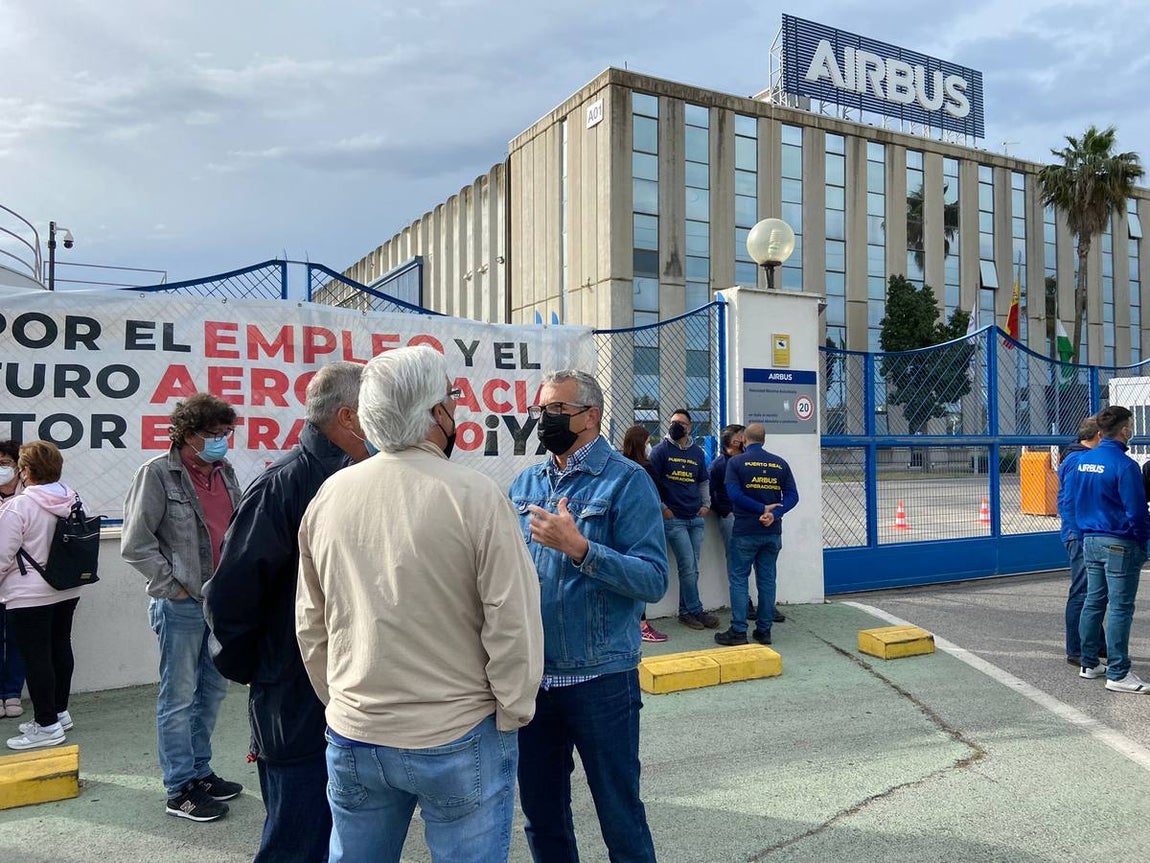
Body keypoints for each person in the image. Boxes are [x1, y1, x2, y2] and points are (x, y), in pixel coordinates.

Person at [296, 345, 543, 863]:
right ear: (436, 414)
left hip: (355, 731)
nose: (455, 411)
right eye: (451, 401)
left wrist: (341, 699)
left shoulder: (330, 496)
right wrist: (513, 707)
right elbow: (513, 617)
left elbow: (311, 624)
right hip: (459, 730)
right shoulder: (474, 495)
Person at [204, 363, 370, 862]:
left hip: (348, 691)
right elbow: (230, 598)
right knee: (297, 834)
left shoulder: (360, 476)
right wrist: (270, 670)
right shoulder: (283, 485)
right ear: (349, 417)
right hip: (294, 699)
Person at [510, 369, 668, 862]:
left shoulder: (627, 481)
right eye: (541, 410)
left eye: (556, 411)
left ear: (590, 416)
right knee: (543, 818)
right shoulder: (526, 481)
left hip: (601, 679)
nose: (545, 419)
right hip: (534, 680)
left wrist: (582, 550)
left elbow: (653, 579)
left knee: (620, 817)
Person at [121, 393, 244, 822]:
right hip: (181, 605)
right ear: (187, 434)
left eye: (225, 434)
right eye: (212, 435)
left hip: (218, 604)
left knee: (211, 692)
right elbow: (135, 543)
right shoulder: (157, 474)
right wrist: (171, 587)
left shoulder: (225, 473)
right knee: (178, 696)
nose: (221, 442)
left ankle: (200, 772)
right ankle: (179, 789)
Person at [0, 442, 84, 750]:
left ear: (25, 470)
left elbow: (2, 556)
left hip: (28, 593)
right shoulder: (74, 498)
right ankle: (59, 713)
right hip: (67, 586)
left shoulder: (18, 507)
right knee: (60, 647)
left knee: (36, 657)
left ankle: (46, 725)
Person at [1072, 405, 1150, 693]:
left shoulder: (1082, 461)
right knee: (1120, 608)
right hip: (1120, 542)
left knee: (1094, 602)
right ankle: (1118, 673)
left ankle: (1089, 662)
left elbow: (1075, 499)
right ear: (1125, 429)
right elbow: (1137, 511)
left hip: (1090, 539)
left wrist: (1083, 533)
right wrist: (1143, 541)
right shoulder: (1125, 466)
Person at [715, 423, 799, 647]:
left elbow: (733, 494)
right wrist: (775, 513)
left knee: (739, 579)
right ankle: (764, 630)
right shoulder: (780, 463)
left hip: (745, 531)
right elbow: (793, 496)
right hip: (772, 531)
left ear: (744, 439)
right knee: (767, 580)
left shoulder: (736, 462)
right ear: (764, 440)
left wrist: (760, 509)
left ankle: (739, 631)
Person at [648, 408, 719, 630]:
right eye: (672, 422)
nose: (675, 426)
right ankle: (695, 610)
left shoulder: (697, 452)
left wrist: (706, 505)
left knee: (692, 567)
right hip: (674, 518)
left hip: (695, 518)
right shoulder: (660, 451)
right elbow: (650, 483)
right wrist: (663, 508)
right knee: (688, 566)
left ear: (689, 427)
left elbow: (703, 481)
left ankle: (686, 612)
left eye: (680, 422)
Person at [1057, 416, 1102, 665]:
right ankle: (1075, 649)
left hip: (1083, 532)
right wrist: (1082, 532)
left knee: (1095, 591)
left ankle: (1097, 643)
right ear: (1098, 435)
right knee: (1082, 591)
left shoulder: (1079, 458)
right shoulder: (1079, 461)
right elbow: (1072, 502)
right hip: (1079, 534)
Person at [621, 424, 669, 643]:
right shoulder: (645, 468)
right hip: (642, 527)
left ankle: (635, 622)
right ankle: (641, 624)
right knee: (643, 574)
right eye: (648, 441)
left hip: (623, 527)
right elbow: (655, 495)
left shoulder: (620, 464)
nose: (651, 446)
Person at [0, 440, 27, 718]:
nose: (1, 469)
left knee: (18, 640)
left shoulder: (30, 497)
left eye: (6, 464)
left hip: (22, 585)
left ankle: (12, 693)